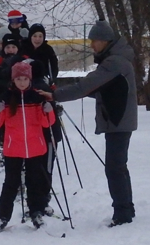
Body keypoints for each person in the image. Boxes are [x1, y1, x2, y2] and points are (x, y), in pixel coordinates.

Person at [37, 20, 137, 226]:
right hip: (120, 120)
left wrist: (55, 95)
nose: (92, 45)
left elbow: (87, 86)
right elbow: (103, 90)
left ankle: (123, 214)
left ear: (105, 41)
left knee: (114, 168)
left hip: (119, 121)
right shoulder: (117, 59)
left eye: (95, 41)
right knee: (119, 167)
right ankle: (126, 208)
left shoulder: (114, 62)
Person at [0, 61, 56, 231]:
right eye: (18, 78)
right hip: (14, 148)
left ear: (30, 79)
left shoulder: (37, 96)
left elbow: (47, 123)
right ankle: (3, 217)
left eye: (25, 78)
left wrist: (48, 111)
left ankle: (36, 213)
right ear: (13, 80)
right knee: (11, 183)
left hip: (35, 147)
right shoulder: (6, 97)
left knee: (35, 182)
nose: (22, 82)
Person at [21, 23, 61, 215]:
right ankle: (33, 199)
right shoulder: (23, 50)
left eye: (40, 36)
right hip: (30, 124)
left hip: (46, 118)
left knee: (46, 161)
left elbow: (54, 71)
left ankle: (43, 199)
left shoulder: (48, 51)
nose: (37, 38)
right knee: (33, 163)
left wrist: (51, 86)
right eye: (34, 35)